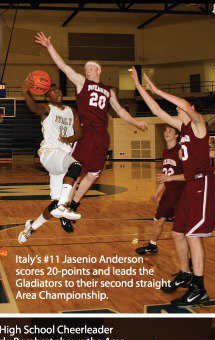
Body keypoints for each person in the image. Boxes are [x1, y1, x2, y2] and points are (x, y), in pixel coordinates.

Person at [131, 67, 215, 307]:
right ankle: (185, 273)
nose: (177, 110)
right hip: (191, 185)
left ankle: (199, 289)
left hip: (203, 183)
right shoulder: (183, 129)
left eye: (181, 108)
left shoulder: (199, 125)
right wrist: (140, 87)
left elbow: (185, 106)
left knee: (192, 235)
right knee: (177, 232)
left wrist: (158, 89)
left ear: (190, 111)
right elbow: (157, 110)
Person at [34, 32, 148, 217]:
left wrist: (136, 123)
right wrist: (49, 47)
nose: (88, 70)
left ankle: (74, 205)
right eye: (86, 68)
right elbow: (63, 66)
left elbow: (119, 111)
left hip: (102, 135)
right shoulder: (81, 82)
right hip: (86, 133)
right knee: (76, 171)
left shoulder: (108, 91)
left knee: (93, 174)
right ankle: (63, 204)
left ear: (99, 70)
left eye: (91, 68)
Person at [18, 79, 84, 243]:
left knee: (54, 204)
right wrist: (26, 93)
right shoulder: (47, 109)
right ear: (47, 97)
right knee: (76, 166)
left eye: (60, 91)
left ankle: (31, 228)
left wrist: (70, 138)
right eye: (54, 92)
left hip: (61, 159)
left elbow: (80, 133)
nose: (59, 93)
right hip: (50, 153)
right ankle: (63, 206)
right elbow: (34, 107)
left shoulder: (71, 110)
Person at [135, 125, 185, 255]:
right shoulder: (165, 152)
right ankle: (152, 245)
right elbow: (165, 177)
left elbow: (189, 175)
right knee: (158, 221)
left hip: (181, 194)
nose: (166, 132)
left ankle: (190, 259)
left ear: (176, 135)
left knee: (182, 230)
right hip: (169, 194)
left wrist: (170, 178)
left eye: (170, 131)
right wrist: (157, 193)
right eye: (165, 131)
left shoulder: (180, 151)